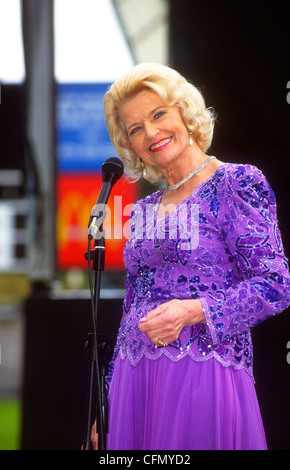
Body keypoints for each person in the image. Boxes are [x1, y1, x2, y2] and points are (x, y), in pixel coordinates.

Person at [91, 63, 290, 450]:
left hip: (203, 376)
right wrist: (106, 406)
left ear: (184, 109)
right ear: (129, 144)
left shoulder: (237, 182)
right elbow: (132, 304)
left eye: (158, 114)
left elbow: (275, 285)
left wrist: (193, 310)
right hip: (135, 384)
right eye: (135, 129)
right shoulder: (145, 208)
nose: (150, 133)